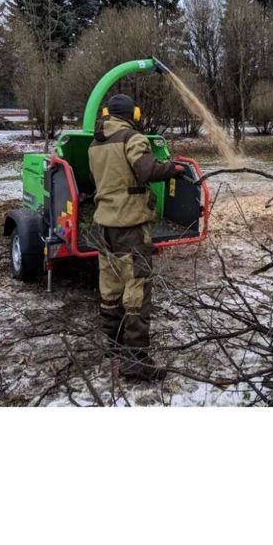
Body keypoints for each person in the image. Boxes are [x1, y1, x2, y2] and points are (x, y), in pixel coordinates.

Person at [88, 93, 184, 382]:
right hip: (130, 224)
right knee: (137, 291)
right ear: (135, 114)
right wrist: (173, 169)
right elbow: (147, 171)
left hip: (105, 224)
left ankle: (114, 347)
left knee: (111, 287)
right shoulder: (132, 138)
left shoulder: (96, 143)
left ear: (107, 113)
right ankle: (135, 361)